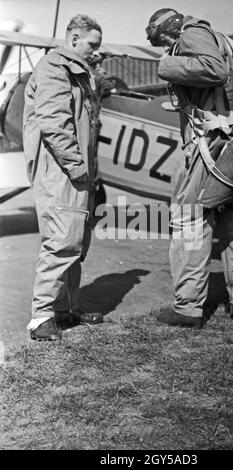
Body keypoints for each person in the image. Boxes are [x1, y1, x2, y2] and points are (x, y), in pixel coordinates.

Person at [145, 8, 233, 328]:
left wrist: (167, 65)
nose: (164, 48)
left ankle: (188, 308)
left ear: (168, 32)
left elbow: (214, 70)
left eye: (162, 42)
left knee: (189, 220)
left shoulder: (190, 36)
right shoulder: (224, 41)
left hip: (212, 146)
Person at [23, 14, 104, 340]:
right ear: (73, 39)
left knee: (75, 244)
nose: (97, 52)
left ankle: (66, 309)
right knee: (61, 242)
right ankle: (41, 318)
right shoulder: (55, 68)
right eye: (92, 45)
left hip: (75, 171)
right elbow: (55, 123)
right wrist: (76, 166)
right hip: (60, 170)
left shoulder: (79, 72)